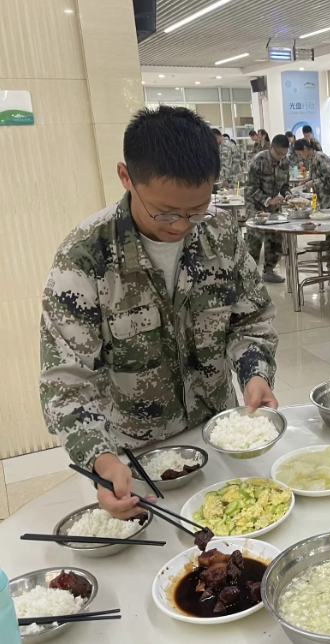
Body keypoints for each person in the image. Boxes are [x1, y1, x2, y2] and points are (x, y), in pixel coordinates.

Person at [39, 106, 279, 519]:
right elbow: (66, 383)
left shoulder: (220, 232)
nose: (181, 226)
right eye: (165, 212)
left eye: (196, 209)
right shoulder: (84, 258)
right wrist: (102, 462)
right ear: (126, 177)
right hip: (137, 459)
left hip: (217, 438)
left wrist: (254, 373)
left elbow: (251, 320)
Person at [245, 134, 292, 283]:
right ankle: (249, 276)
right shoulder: (258, 160)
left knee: (276, 237)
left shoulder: (285, 162)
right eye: (278, 153)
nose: (281, 157)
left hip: (273, 205)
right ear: (271, 147)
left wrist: (288, 195)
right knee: (255, 239)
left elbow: (285, 185)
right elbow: (250, 188)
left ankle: (269, 271)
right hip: (255, 203)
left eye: (284, 154)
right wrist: (267, 200)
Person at [295, 139, 330, 208]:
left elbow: (329, 178)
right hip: (324, 197)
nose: (299, 156)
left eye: (299, 153)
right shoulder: (311, 159)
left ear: (305, 149)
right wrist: (305, 182)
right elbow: (313, 177)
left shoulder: (320, 157)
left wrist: (313, 182)